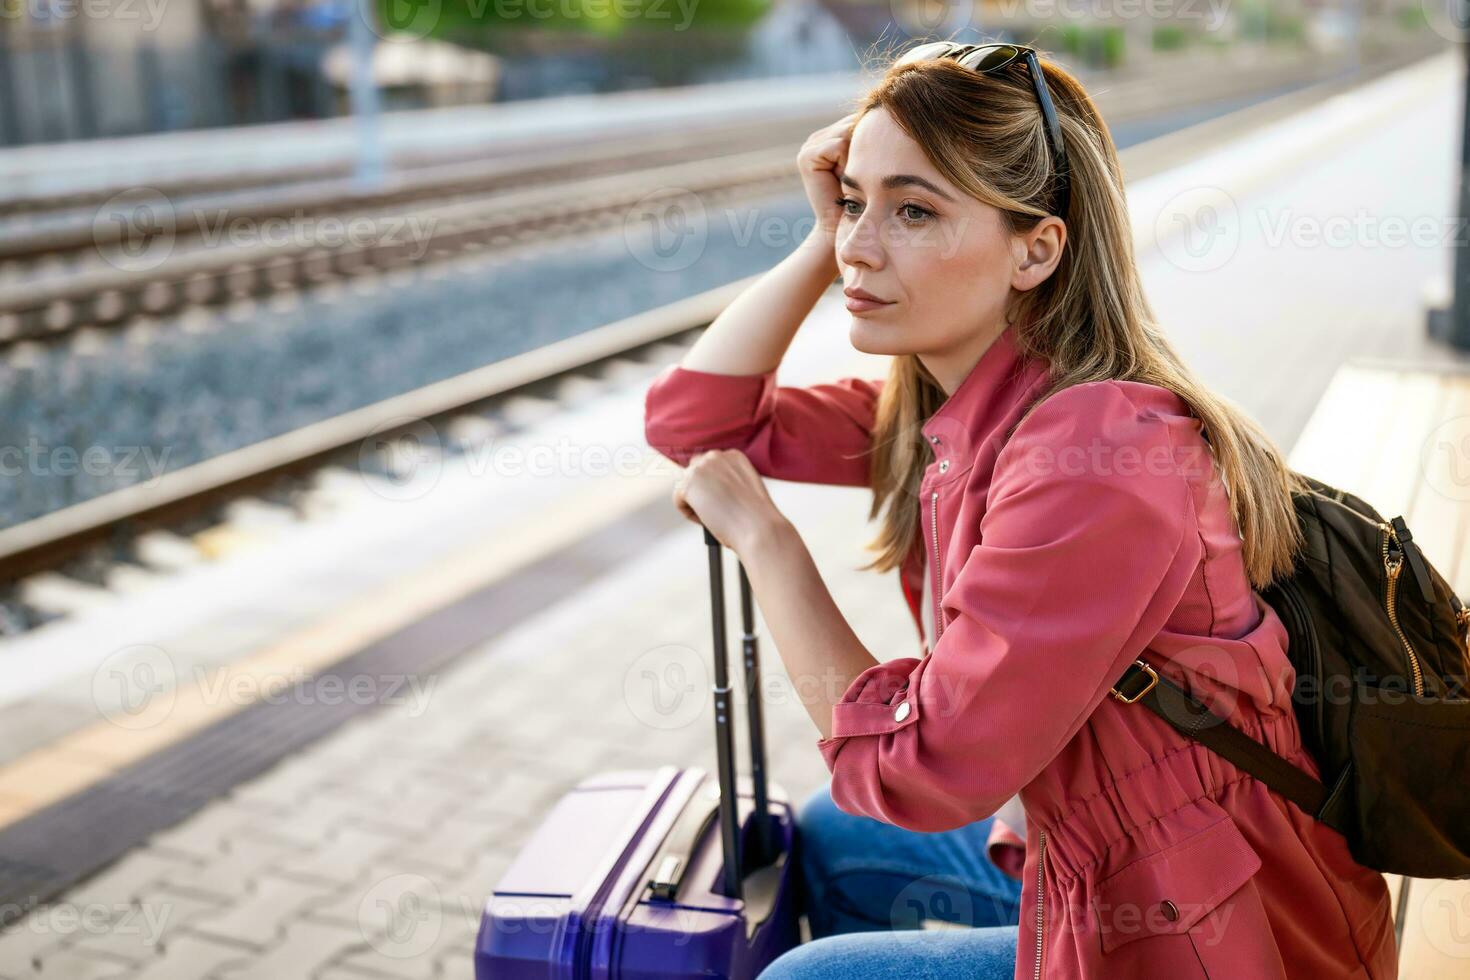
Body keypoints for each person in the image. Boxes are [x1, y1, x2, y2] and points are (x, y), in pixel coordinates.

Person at [642, 38, 1397, 980]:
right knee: (833, 834)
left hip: (1217, 933)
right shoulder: (944, 407)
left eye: (913, 210)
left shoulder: (1100, 457)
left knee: (800, 977)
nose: (857, 248)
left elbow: (917, 768)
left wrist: (767, 541)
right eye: (851, 203)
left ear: (1036, 249)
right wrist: (815, 241)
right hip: (1080, 843)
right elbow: (692, 419)